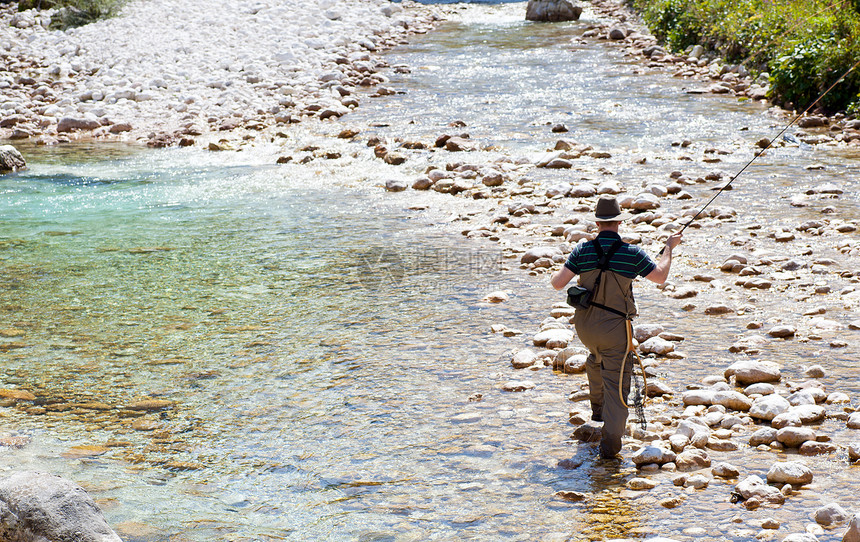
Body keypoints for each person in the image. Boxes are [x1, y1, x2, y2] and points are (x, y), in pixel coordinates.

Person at [550, 195, 682, 459]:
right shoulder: (630, 253)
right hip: (614, 331)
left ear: (598, 223)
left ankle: (597, 411)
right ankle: (609, 450)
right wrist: (669, 247)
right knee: (618, 384)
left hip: (585, 328)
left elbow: (557, 283)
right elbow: (660, 276)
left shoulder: (582, 250)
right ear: (618, 223)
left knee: (594, 356)